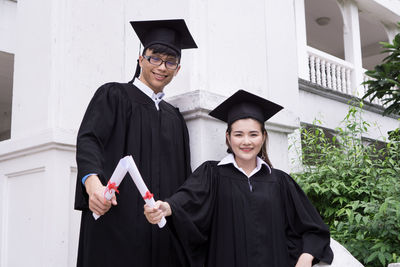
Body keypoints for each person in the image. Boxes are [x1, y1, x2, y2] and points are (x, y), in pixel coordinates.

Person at [144, 89, 334, 267]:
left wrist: (305, 257)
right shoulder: (212, 174)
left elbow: (313, 228)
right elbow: (187, 200)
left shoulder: (280, 181)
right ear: (228, 137)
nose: (246, 141)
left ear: (263, 137)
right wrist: (166, 208)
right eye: (238, 134)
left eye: (253, 134)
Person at [74, 19, 197, 267]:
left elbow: (184, 176)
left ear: (178, 69)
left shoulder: (176, 118)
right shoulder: (113, 95)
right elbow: (89, 140)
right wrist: (93, 186)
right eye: (155, 58)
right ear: (141, 59)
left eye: (170, 61)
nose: (162, 67)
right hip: (116, 225)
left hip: (161, 231)